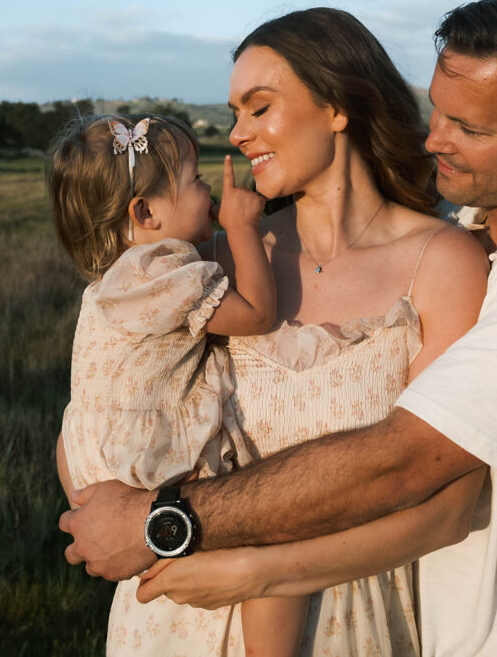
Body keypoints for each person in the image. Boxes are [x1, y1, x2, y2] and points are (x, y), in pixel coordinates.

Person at [63, 0, 497, 654]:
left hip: (484, 628)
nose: (434, 137)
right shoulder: (223, 261)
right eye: (437, 112)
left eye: (260, 107)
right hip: (182, 612)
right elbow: (110, 389)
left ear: (337, 107)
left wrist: (192, 537)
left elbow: (412, 470)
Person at [48, 113, 309, 655]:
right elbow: (259, 313)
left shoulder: (115, 278)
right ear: (144, 212)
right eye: (194, 179)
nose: (209, 188)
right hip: (152, 456)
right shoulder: (163, 272)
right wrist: (240, 227)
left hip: (88, 457)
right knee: (263, 539)